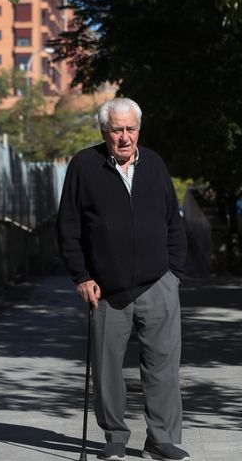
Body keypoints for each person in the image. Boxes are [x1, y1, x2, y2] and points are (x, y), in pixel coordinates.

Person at [56, 98, 189, 461]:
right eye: (117, 130)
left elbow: (173, 221)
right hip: (105, 289)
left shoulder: (155, 164)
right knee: (107, 369)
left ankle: (161, 439)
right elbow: (68, 228)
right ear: (105, 131)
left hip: (158, 283)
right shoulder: (84, 165)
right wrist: (82, 276)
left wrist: (174, 275)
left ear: (139, 130)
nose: (125, 137)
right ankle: (114, 436)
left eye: (131, 129)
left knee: (163, 366)